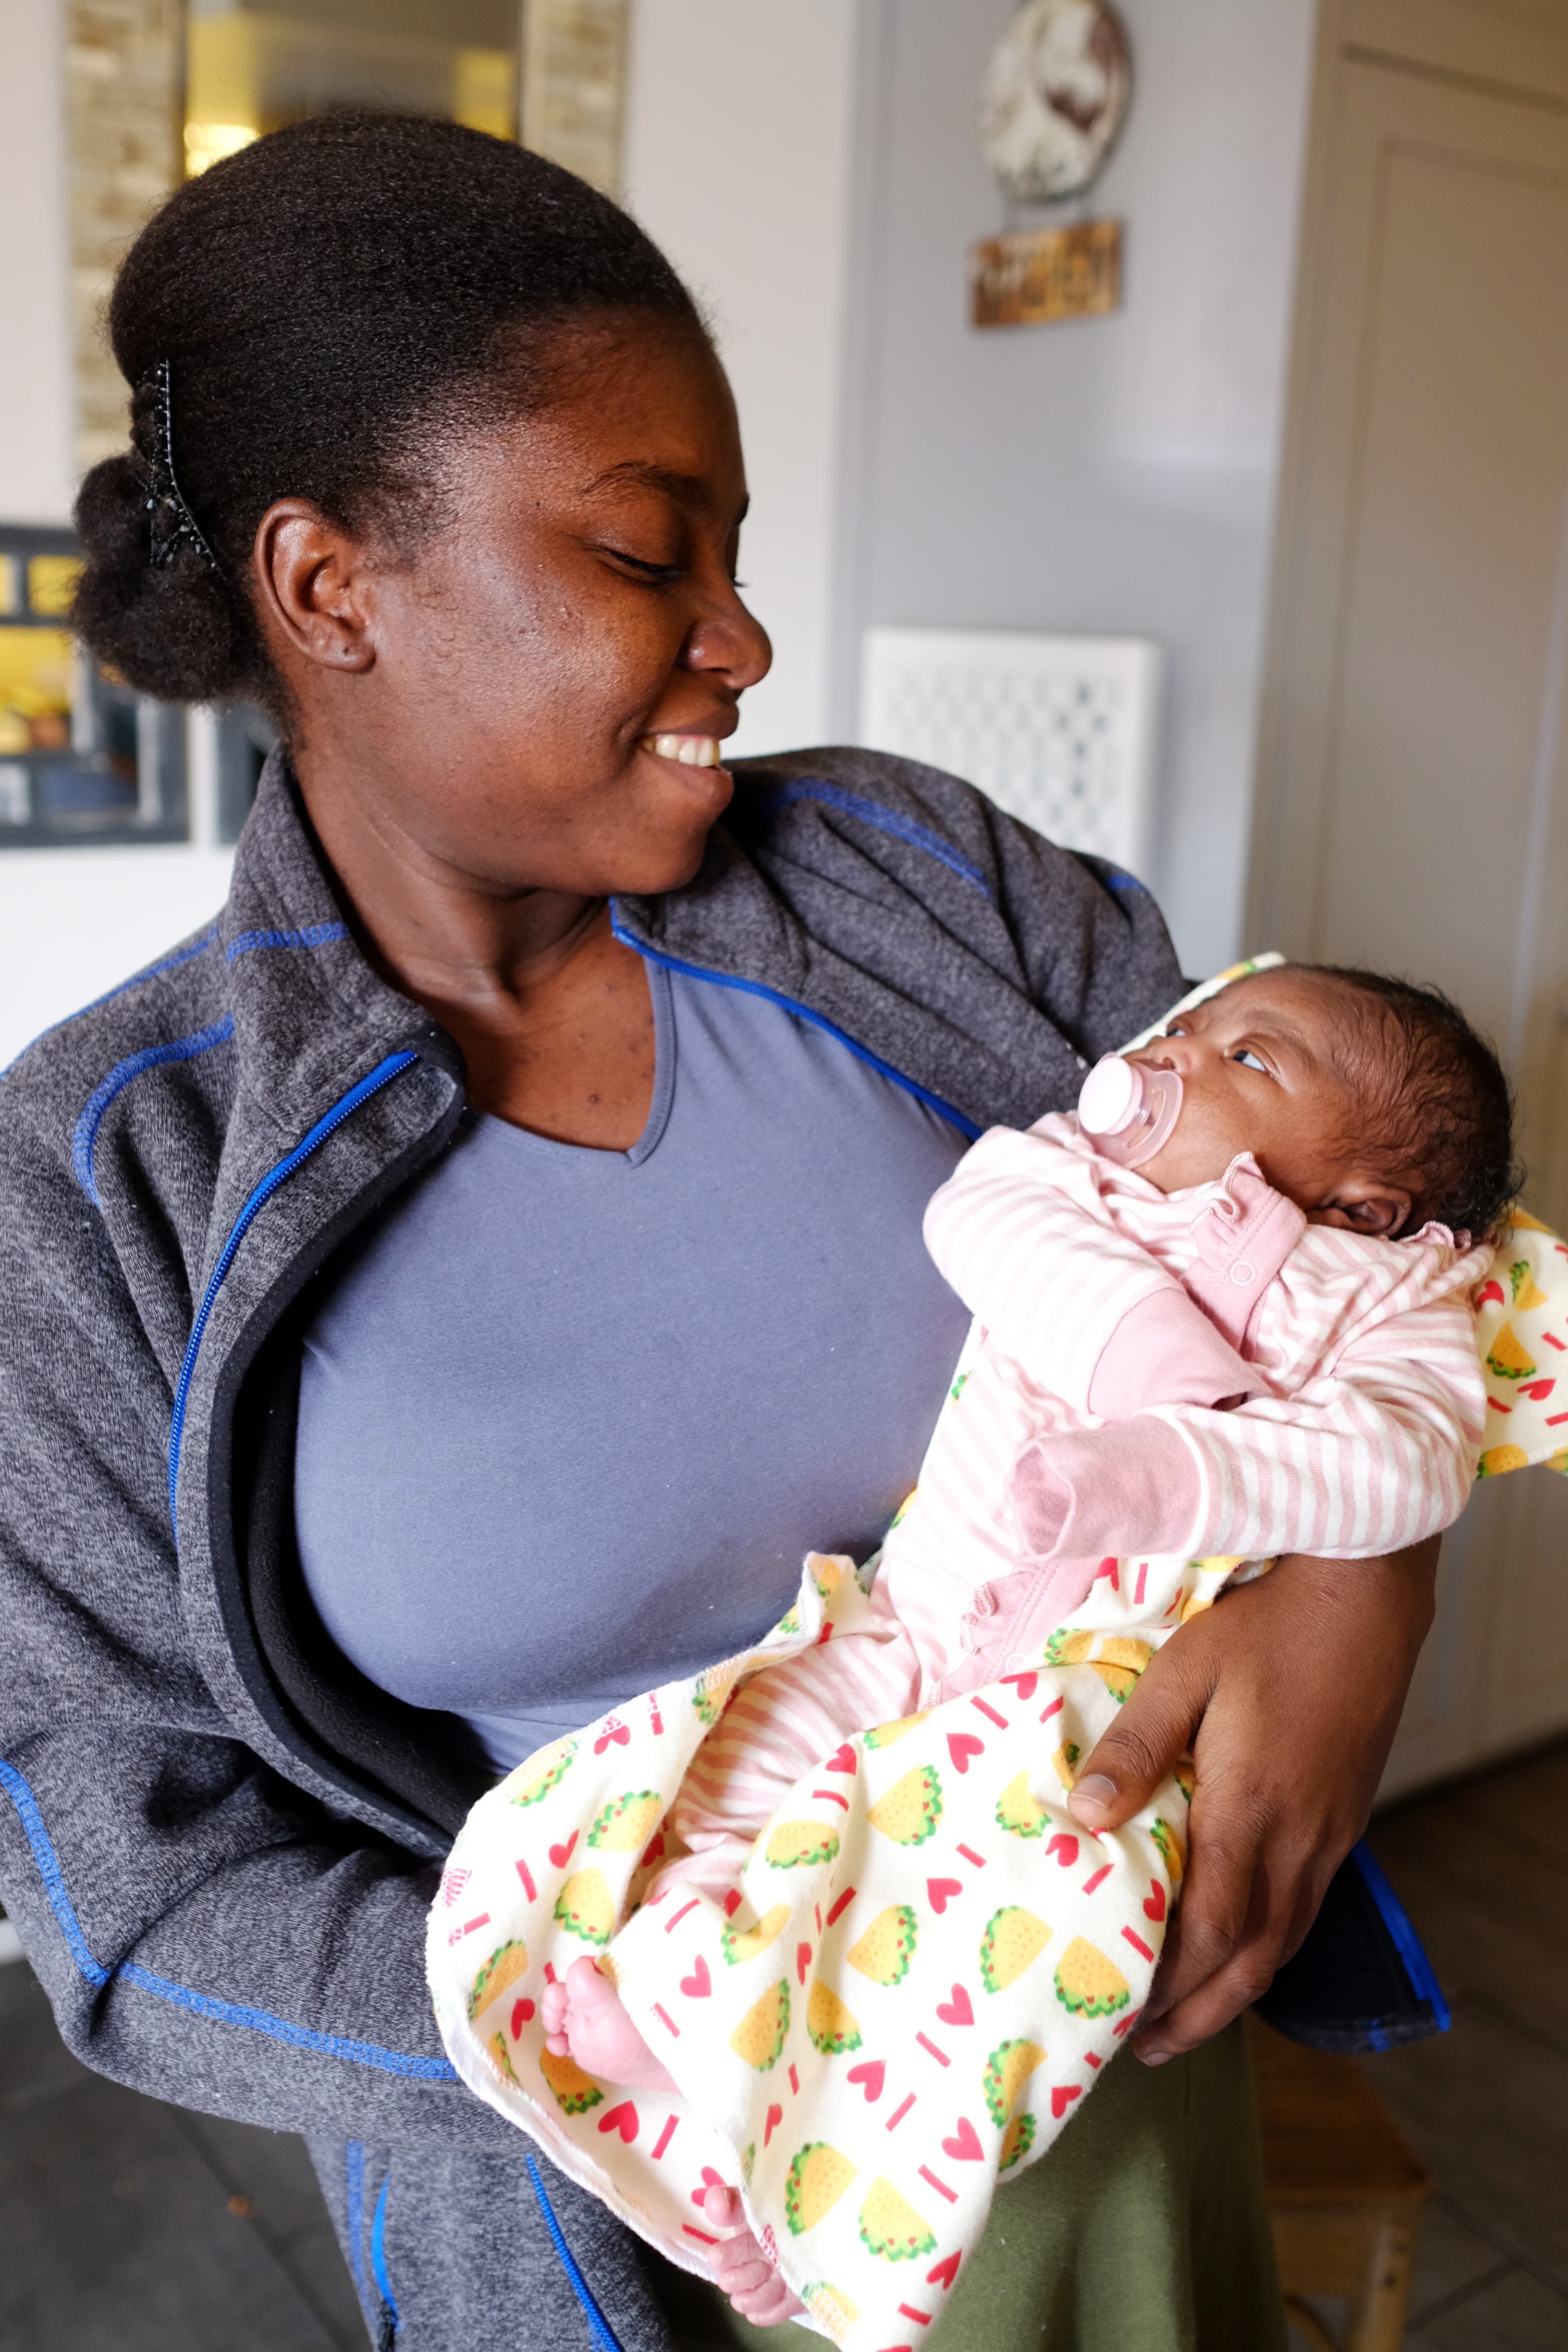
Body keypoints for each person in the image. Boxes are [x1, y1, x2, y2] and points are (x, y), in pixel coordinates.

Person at [0, 114, 1442, 2352]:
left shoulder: (916, 879)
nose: (741, 637)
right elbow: (132, 1886)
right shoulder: (98, 1182)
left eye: (734, 549)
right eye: (646, 554)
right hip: (609, 2217)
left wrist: (1367, 1573)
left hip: (1113, 2142)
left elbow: (1383, 1199)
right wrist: (673, 2043)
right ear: (329, 588)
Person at [518, 966, 1503, 2337]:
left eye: (1250, 1058)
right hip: (915, 1623)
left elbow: (1405, 1469)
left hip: (1080, 1714)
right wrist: (1144, 1357)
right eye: (1190, 1029)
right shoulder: (1076, 1180)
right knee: (734, 1781)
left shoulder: (1385, 1307)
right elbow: (973, 1215)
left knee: (957, 1945)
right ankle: (685, 2058)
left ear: (1365, 1203)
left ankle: (797, 2192)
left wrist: (1172, 1466)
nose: (1177, 1053)